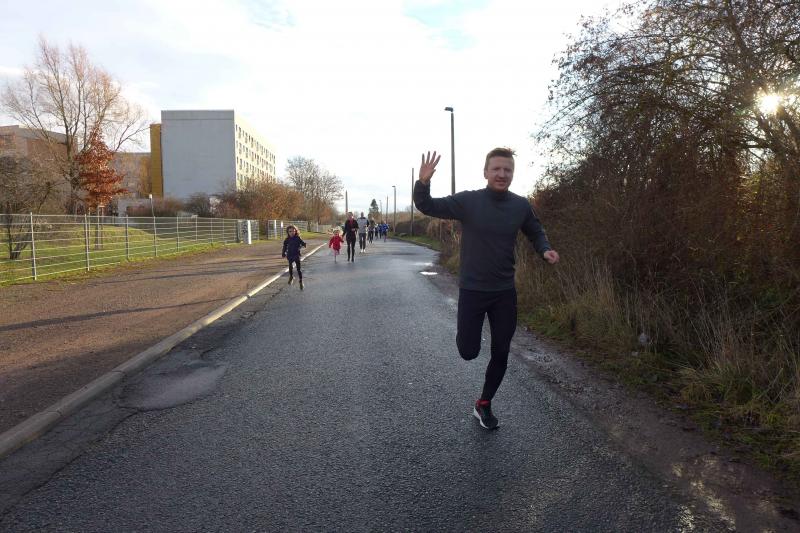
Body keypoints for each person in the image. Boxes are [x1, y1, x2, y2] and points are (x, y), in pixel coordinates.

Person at [413, 147, 560, 430]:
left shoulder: (520, 205)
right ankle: (466, 333)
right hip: (473, 290)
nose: (502, 174)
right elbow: (427, 206)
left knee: (501, 351)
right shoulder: (469, 201)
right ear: (485, 172)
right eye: (496, 169)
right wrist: (423, 183)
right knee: (468, 351)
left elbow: (535, 230)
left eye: (507, 170)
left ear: (512, 174)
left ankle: (484, 403)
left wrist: (545, 249)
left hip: (504, 292)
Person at [281, 224, 307, 290]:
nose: (292, 232)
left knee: (298, 269)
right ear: (288, 232)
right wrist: (283, 253)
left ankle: (301, 281)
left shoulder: (298, 238)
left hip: (296, 254)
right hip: (290, 254)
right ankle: (291, 277)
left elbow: (302, 243)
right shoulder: (287, 239)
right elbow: (284, 247)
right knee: (290, 266)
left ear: (295, 231)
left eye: (293, 231)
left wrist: (304, 244)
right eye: (290, 231)